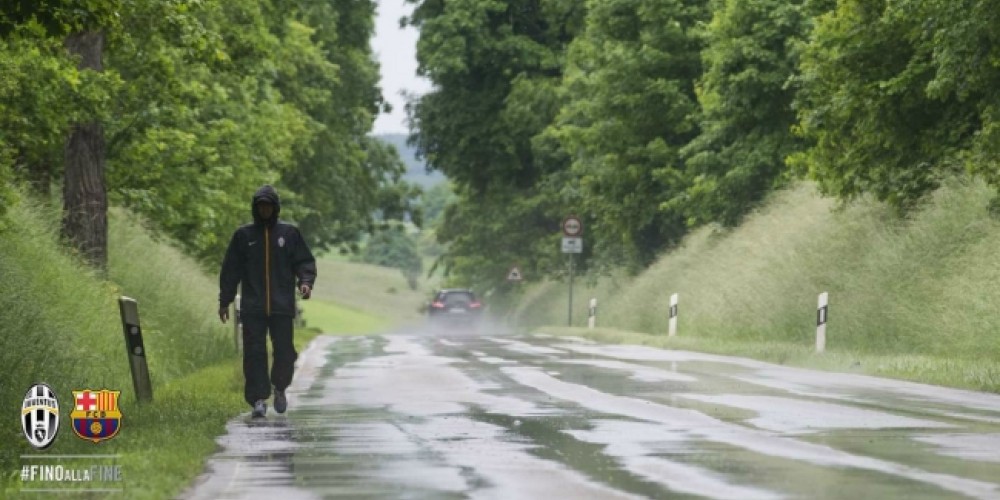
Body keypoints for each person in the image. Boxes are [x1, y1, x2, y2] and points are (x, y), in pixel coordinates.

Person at [218, 185, 317, 418]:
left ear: (275, 208)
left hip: (282, 307)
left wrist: (305, 283)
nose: (264, 210)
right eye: (261, 205)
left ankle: (280, 388)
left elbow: (304, 262)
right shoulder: (243, 236)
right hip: (253, 307)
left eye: (268, 206)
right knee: (254, 352)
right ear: (255, 208)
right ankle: (258, 400)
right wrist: (225, 301)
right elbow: (230, 271)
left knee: (285, 352)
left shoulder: (289, 234)